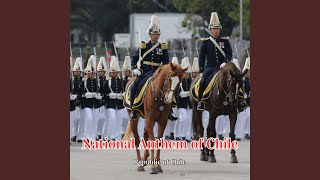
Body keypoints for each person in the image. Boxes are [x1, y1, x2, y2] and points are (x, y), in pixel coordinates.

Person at [130, 15, 177, 121]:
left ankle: (170, 110)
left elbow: (165, 62)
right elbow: (135, 57)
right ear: (150, 34)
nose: (156, 36)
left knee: (169, 87)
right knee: (135, 85)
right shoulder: (144, 46)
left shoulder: (162, 47)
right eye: (154, 34)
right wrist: (134, 68)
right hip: (145, 71)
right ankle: (134, 108)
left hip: (158, 72)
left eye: (157, 34)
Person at [197, 12, 232, 110]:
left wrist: (226, 61)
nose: (216, 31)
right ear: (210, 30)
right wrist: (201, 70)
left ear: (219, 29)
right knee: (202, 80)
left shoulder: (225, 41)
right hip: (210, 68)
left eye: (217, 29)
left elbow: (229, 53)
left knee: (234, 79)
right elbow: (201, 57)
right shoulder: (206, 42)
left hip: (222, 68)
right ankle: (201, 101)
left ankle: (238, 101)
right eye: (214, 29)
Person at [80, 55, 102, 141]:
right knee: (89, 118)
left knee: (95, 120)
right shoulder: (84, 81)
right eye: (87, 73)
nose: (88, 74)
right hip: (87, 103)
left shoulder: (97, 81)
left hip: (95, 103)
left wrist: (99, 96)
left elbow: (102, 90)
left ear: (93, 73)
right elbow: (80, 91)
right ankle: (88, 136)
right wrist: (85, 95)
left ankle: (93, 136)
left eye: (90, 73)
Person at [104, 56, 125, 141]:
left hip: (119, 103)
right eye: (112, 72)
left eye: (114, 72)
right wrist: (109, 95)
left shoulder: (121, 81)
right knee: (112, 119)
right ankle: (110, 135)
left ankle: (117, 136)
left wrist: (123, 94)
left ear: (117, 72)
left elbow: (124, 90)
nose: (113, 73)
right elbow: (103, 91)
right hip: (110, 103)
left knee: (119, 120)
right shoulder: (108, 80)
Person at [177, 57, 193, 142]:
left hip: (189, 104)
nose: (186, 74)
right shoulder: (179, 81)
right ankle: (180, 134)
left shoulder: (191, 81)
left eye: (187, 73)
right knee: (184, 118)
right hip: (181, 103)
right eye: (185, 73)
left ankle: (187, 135)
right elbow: (176, 92)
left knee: (189, 120)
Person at [96, 57, 108, 140]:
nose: (100, 73)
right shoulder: (95, 80)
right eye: (99, 71)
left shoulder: (107, 80)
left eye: (101, 71)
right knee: (98, 119)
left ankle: (102, 134)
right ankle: (97, 133)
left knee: (104, 119)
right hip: (97, 102)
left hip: (105, 102)